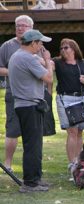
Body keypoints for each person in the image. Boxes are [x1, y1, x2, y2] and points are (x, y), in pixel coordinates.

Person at [8, 30, 53, 193]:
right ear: (33, 43)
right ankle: (30, 183)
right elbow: (49, 78)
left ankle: (35, 179)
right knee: (33, 145)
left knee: (33, 144)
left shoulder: (17, 56)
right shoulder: (27, 58)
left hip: (24, 105)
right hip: (29, 106)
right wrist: (47, 61)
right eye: (40, 43)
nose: (41, 46)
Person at [53, 38, 84, 171]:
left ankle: (79, 162)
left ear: (74, 49)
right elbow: (45, 64)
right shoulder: (58, 62)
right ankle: (72, 164)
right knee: (72, 131)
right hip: (65, 99)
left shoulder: (83, 63)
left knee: (80, 131)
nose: (63, 50)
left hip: (81, 99)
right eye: (62, 48)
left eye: (66, 47)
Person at [0, 15, 34, 172]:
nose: (20, 28)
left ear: (31, 28)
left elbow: (44, 65)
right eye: (17, 25)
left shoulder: (36, 45)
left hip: (32, 96)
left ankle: (31, 165)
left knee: (32, 133)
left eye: (23, 26)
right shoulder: (7, 46)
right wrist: (16, 71)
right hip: (13, 94)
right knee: (12, 130)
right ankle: (7, 164)